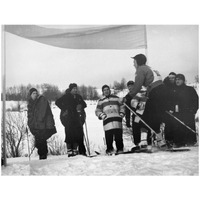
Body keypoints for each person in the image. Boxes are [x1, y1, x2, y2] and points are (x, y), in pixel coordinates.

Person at [125, 54, 168, 149]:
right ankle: (161, 141)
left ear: (138, 62)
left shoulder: (140, 69)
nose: (133, 64)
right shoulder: (150, 68)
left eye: (134, 62)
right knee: (154, 118)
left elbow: (137, 86)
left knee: (145, 116)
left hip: (155, 93)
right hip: (162, 93)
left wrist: (128, 97)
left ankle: (144, 142)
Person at [166, 74, 198, 147]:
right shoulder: (173, 90)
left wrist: (193, 110)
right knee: (178, 127)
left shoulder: (190, 89)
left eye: (179, 79)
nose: (177, 81)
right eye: (176, 79)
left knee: (188, 126)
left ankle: (191, 141)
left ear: (183, 80)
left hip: (188, 112)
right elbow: (170, 101)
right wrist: (171, 109)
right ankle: (178, 142)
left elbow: (196, 100)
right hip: (178, 113)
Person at [55, 83, 87, 157]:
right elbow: (57, 102)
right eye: (73, 89)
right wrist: (64, 108)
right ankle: (70, 151)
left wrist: (81, 106)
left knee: (78, 134)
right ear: (70, 90)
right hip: (69, 119)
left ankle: (76, 150)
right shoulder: (66, 96)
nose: (75, 90)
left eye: (76, 88)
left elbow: (85, 105)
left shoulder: (79, 97)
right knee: (69, 135)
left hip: (77, 118)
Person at [27, 88, 57, 160]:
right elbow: (30, 115)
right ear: (30, 95)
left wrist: (38, 121)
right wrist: (30, 124)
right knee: (39, 142)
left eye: (36, 93)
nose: (35, 94)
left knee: (41, 141)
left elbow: (41, 113)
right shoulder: (31, 103)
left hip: (42, 125)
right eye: (33, 93)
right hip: (35, 126)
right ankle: (42, 156)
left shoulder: (41, 100)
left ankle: (43, 157)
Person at [95, 85, 125, 155]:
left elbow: (123, 106)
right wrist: (102, 116)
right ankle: (110, 150)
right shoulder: (101, 101)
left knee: (119, 138)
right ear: (103, 92)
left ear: (109, 90)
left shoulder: (116, 98)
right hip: (107, 122)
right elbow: (97, 111)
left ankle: (120, 149)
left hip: (117, 121)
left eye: (107, 89)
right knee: (109, 138)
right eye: (104, 90)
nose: (106, 91)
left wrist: (121, 114)